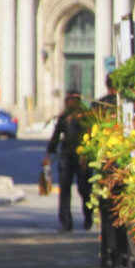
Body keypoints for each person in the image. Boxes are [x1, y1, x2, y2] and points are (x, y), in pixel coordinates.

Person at [46, 92, 92, 231]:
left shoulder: (85, 116)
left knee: (84, 189)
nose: (66, 102)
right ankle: (66, 221)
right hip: (67, 156)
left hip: (82, 157)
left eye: (68, 100)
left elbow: (91, 135)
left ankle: (88, 217)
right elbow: (56, 136)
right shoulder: (64, 116)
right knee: (65, 189)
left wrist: (88, 154)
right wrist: (49, 153)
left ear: (76, 100)